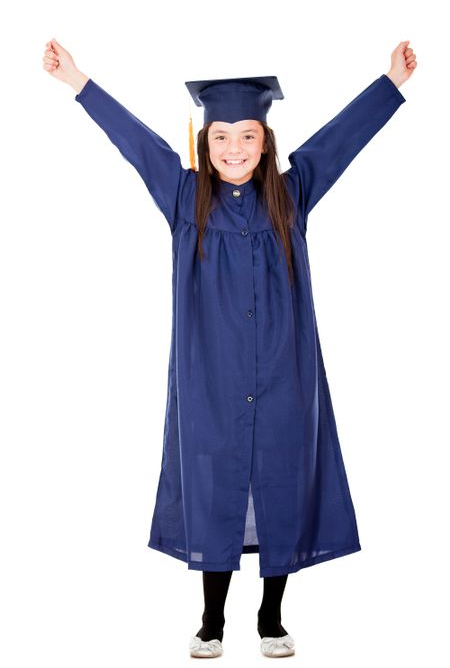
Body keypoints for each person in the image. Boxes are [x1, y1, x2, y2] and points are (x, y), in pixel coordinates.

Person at [42, 38, 417, 659]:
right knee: (213, 487)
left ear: (265, 142)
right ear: (204, 141)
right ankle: (211, 618)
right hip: (208, 379)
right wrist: (79, 81)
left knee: (284, 484)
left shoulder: (291, 199)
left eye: (247, 136)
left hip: (284, 375)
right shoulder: (184, 197)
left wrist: (389, 84)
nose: (234, 148)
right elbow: (137, 143)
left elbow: (340, 140)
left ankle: (272, 617)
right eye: (221, 137)